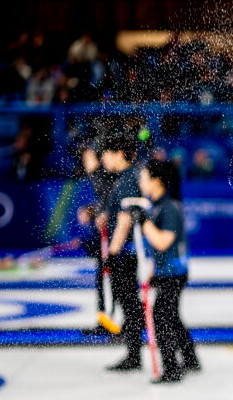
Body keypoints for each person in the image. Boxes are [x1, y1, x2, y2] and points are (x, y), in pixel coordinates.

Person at [135, 159, 200, 383]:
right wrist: (153, 270)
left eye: (144, 178)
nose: (140, 182)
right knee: (171, 316)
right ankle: (191, 359)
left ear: (157, 181)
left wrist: (143, 222)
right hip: (166, 271)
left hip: (174, 273)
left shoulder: (169, 207)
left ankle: (172, 368)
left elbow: (163, 242)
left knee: (162, 317)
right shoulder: (159, 205)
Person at [100, 134, 145, 372]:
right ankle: (133, 349)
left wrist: (113, 252)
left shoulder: (128, 180)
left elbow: (125, 220)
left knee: (130, 303)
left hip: (126, 254)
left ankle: (134, 353)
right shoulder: (125, 178)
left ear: (118, 153)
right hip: (127, 252)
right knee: (130, 302)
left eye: (106, 153)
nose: (102, 159)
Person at [81, 143, 119, 334]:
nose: (85, 163)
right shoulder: (100, 177)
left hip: (114, 240)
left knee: (111, 280)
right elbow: (105, 203)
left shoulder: (105, 176)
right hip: (107, 238)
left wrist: (101, 213)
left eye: (88, 158)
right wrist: (93, 210)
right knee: (104, 280)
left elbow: (113, 204)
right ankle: (106, 319)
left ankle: (113, 322)